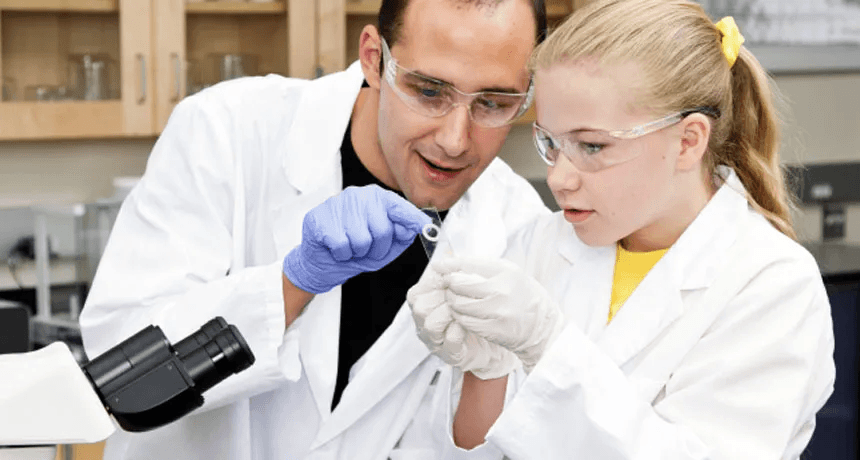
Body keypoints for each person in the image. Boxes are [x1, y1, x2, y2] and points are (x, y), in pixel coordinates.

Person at [78, 0, 550, 459]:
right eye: (429, 91)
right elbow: (121, 378)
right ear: (373, 58)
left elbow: (474, 444)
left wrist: (489, 372)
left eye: (492, 102)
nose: (454, 139)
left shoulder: (515, 225)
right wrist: (293, 282)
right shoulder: (228, 132)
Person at [407, 0, 836, 458]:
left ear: (688, 141)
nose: (558, 177)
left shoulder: (772, 284)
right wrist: (484, 370)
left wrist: (550, 349)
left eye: (591, 145)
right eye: (550, 142)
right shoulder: (540, 245)